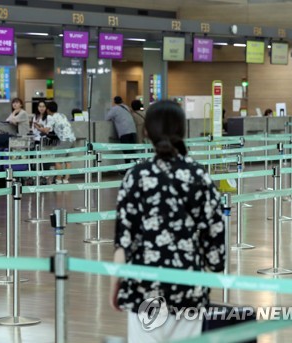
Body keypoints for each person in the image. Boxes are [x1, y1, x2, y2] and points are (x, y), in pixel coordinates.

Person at [109, 100, 225, 342]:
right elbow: (214, 235)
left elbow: (124, 240)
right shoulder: (199, 175)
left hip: (143, 287)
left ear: (146, 132)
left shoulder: (136, 176)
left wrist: (115, 285)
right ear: (182, 132)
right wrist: (214, 266)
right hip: (189, 287)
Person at [36, 101, 76, 184]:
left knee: (57, 160)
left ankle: (58, 179)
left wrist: (38, 127)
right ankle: (66, 179)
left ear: (48, 110)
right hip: (72, 138)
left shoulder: (51, 117)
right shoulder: (62, 115)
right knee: (67, 160)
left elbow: (46, 130)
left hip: (65, 140)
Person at [105, 96, 137, 163]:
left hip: (124, 132)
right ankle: (135, 167)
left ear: (114, 102)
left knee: (126, 151)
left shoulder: (115, 109)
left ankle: (128, 168)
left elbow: (107, 118)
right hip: (133, 130)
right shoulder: (126, 107)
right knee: (133, 151)